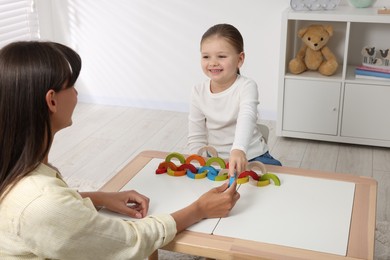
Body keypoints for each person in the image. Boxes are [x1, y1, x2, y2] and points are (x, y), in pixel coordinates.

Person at [0, 41, 240, 259]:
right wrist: (198, 209)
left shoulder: (19, 172)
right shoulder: (42, 201)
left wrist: (99, 197)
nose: (76, 93)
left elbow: (52, 213)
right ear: (51, 101)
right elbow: (129, 240)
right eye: (72, 85)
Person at [188, 24, 282, 177]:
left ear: (240, 59)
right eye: (206, 56)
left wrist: (238, 149)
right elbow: (196, 136)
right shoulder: (197, 91)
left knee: (278, 179)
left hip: (252, 155)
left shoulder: (246, 86)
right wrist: (197, 162)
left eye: (222, 56)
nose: (213, 63)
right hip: (216, 160)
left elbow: (247, 116)